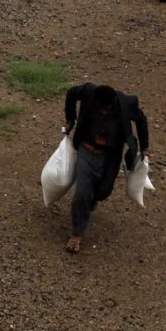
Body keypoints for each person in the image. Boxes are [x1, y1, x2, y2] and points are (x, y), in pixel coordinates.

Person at [63, 83, 149, 254]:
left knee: (104, 190)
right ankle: (76, 234)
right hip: (86, 150)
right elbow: (71, 93)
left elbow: (141, 121)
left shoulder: (127, 103)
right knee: (82, 192)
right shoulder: (88, 92)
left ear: (114, 102)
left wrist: (145, 147)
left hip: (111, 154)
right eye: (99, 107)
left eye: (106, 108)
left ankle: (92, 200)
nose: (103, 111)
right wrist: (70, 118)